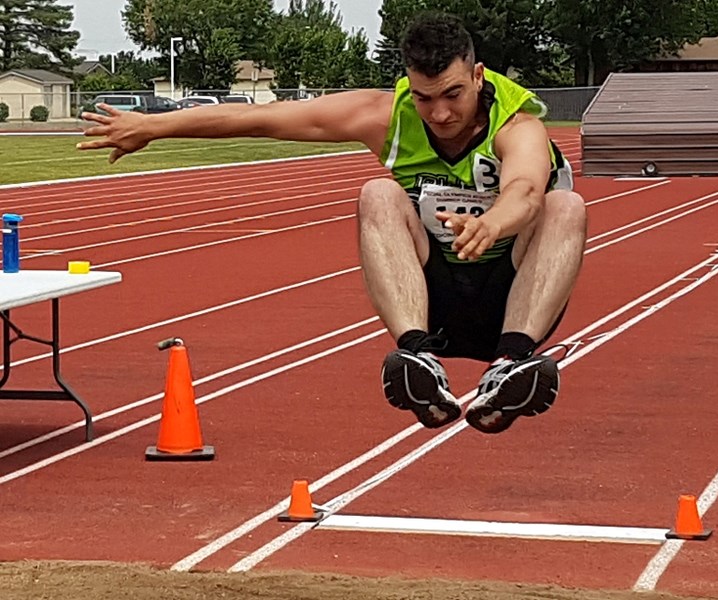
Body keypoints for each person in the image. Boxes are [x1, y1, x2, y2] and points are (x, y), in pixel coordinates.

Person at [78, 12, 587, 435]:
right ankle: (416, 355)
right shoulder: (385, 116)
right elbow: (264, 118)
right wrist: (152, 126)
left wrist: (494, 222)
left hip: (511, 290)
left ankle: (511, 363)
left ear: (478, 77)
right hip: (433, 292)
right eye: (424, 97)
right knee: (378, 194)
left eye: (452, 94)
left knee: (566, 206)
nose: (439, 113)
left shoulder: (519, 124)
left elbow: (524, 189)